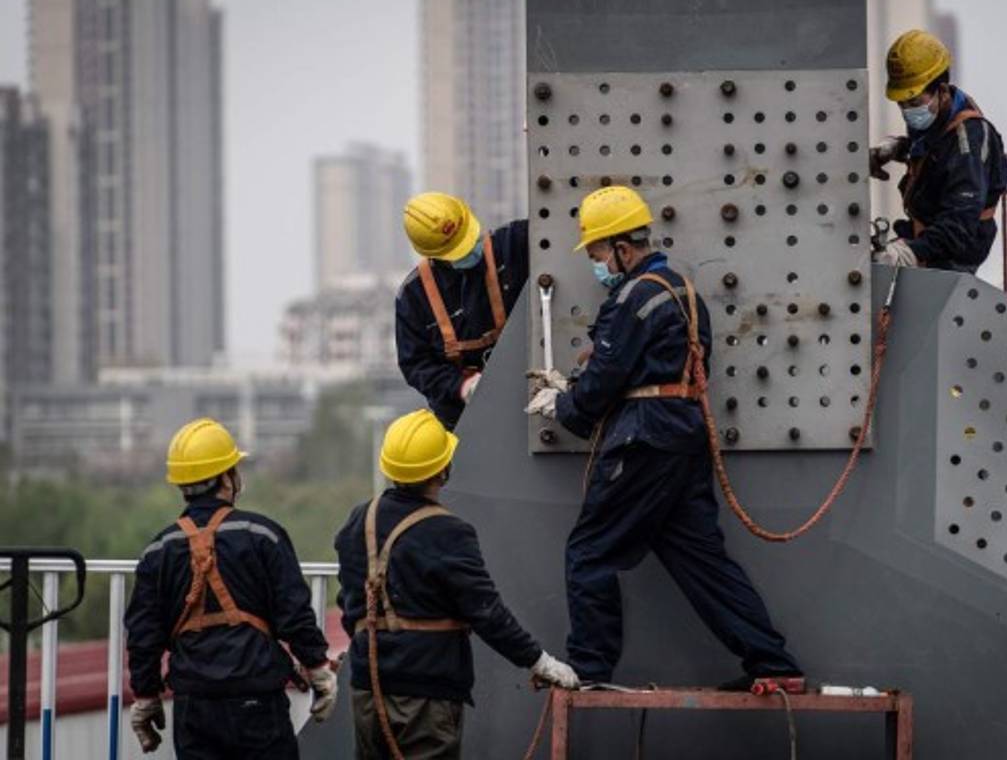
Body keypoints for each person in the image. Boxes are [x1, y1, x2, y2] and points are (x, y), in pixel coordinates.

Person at [525, 186, 803, 689]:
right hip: (683, 437)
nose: (597, 265)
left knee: (590, 552)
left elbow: (603, 383)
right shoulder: (684, 292)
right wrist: (586, 383)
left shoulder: (633, 297)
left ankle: (590, 669)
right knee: (701, 561)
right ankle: (774, 664)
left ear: (621, 248)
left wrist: (563, 403)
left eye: (597, 254)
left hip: (644, 440)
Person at [334, 408, 578, 760]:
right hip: (425, 694)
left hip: (368, 690)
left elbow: (349, 602)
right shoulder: (447, 531)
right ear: (442, 470)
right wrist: (540, 662)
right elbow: (486, 612)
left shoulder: (360, 520)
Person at [125, 418, 337, 758]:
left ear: (182, 485)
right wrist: (317, 669)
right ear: (228, 478)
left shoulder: (159, 550)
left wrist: (146, 695)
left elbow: (143, 634)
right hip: (256, 698)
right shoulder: (262, 535)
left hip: (194, 704)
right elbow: (293, 613)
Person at [870, 29, 1007, 274]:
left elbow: (959, 224)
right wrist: (897, 149)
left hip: (951, 255)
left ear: (942, 90)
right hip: (928, 237)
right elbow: (939, 156)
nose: (907, 111)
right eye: (902, 104)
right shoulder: (939, 119)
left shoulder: (968, 140)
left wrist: (910, 253)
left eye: (914, 103)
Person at [395, 192, 529, 429]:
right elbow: (415, 365)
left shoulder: (514, 245)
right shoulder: (414, 296)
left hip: (527, 397)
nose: (472, 250)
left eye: (470, 238)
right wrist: (460, 386)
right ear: (435, 255)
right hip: (462, 419)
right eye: (460, 250)